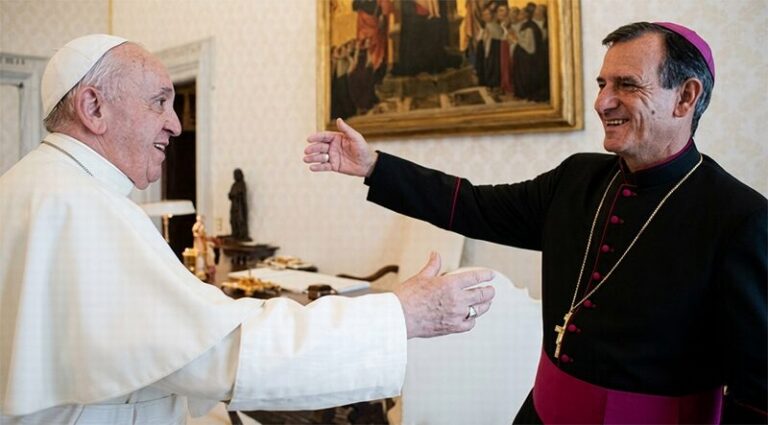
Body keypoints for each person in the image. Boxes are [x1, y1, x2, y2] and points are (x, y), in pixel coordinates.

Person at [0, 34, 497, 424]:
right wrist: (398, 315)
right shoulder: (81, 207)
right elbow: (218, 350)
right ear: (93, 108)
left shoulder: (36, 186)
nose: (175, 124)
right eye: (159, 102)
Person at [305, 22, 767, 423]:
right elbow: (476, 206)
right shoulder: (578, 178)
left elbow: (758, 395)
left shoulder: (740, 218)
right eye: (601, 83)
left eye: (626, 85)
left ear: (686, 97)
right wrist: (374, 166)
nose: (603, 102)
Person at [228, 168, 250, 241]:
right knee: (232, 220)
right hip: (234, 205)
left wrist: (234, 195)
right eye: (234, 175)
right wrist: (231, 195)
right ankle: (235, 233)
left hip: (240, 206)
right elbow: (231, 194)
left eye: (236, 175)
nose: (234, 176)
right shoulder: (234, 185)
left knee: (240, 221)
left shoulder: (242, 184)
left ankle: (241, 235)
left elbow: (240, 194)